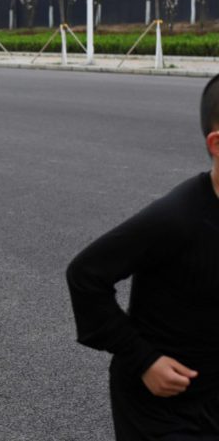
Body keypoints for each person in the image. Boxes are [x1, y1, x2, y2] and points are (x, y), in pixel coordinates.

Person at [67, 74, 219, 440]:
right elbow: (86, 275)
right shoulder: (177, 217)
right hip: (161, 406)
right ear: (217, 143)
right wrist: (143, 359)